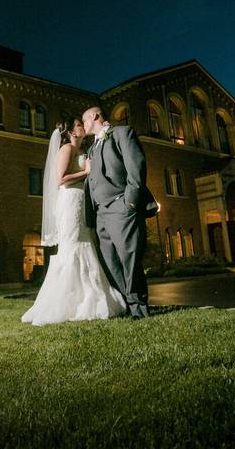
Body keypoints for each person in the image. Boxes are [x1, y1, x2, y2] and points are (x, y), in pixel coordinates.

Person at [21, 118, 127, 325]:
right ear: (71, 131)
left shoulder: (81, 151)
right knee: (73, 246)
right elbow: (60, 179)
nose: (82, 127)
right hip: (70, 203)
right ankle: (67, 302)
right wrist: (86, 172)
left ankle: (89, 297)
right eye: (79, 124)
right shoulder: (66, 149)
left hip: (81, 202)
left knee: (85, 243)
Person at [82, 106, 156, 319]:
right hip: (100, 213)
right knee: (110, 261)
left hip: (120, 207)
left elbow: (136, 166)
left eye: (85, 120)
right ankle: (126, 303)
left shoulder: (123, 133)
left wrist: (130, 202)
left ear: (95, 116)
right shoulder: (91, 149)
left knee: (129, 259)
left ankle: (139, 308)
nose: (84, 125)